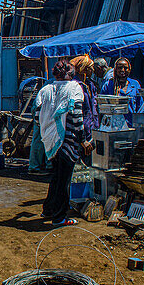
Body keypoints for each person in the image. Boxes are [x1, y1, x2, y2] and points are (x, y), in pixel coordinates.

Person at [35, 61, 84, 227]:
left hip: (49, 140)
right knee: (64, 181)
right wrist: (83, 139)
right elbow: (77, 116)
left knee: (56, 176)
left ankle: (48, 209)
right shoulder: (74, 88)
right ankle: (59, 217)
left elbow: (36, 117)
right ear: (70, 74)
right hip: (67, 140)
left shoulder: (45, 89)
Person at [101, 57, 142, 122]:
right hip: (114, 125)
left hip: (131, 125)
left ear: (129, 69)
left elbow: (140, 106)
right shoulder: (108, 85)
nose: (122, 70)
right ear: (115, 70)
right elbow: (102, 106)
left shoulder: (135, 84)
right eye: (120, 68)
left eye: (125, 68)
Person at [71, 55, 100, 138]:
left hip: (93, 125)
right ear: (84, 69)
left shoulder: (90, 84)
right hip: (81, 127)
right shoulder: (75, 85)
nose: (93, 70)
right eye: (91, 68)